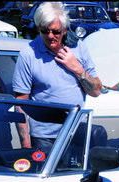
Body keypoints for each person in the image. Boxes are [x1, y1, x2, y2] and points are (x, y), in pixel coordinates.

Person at [13, 1, 102, 152]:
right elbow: (21, 102)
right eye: (44, 31)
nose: (50, 36)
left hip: (76, 132)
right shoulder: (28, 54)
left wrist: (77, 68)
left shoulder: (78, 48)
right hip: (44, 138)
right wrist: (26, 145)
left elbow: (96, 90)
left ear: (65, 30)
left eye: (55, 32)